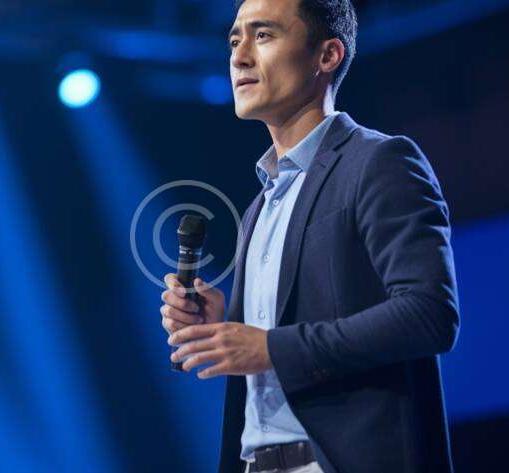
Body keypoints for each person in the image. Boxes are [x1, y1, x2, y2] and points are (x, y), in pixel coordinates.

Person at [159, 0, 460, 471]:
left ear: (327, 55)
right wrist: (223, 324)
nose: (239, 56)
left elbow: (429, 315)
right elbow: (279, 336)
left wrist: (270, 347)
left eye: (263, 36)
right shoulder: (260, 205)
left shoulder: (379, 162)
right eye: (235, 40)